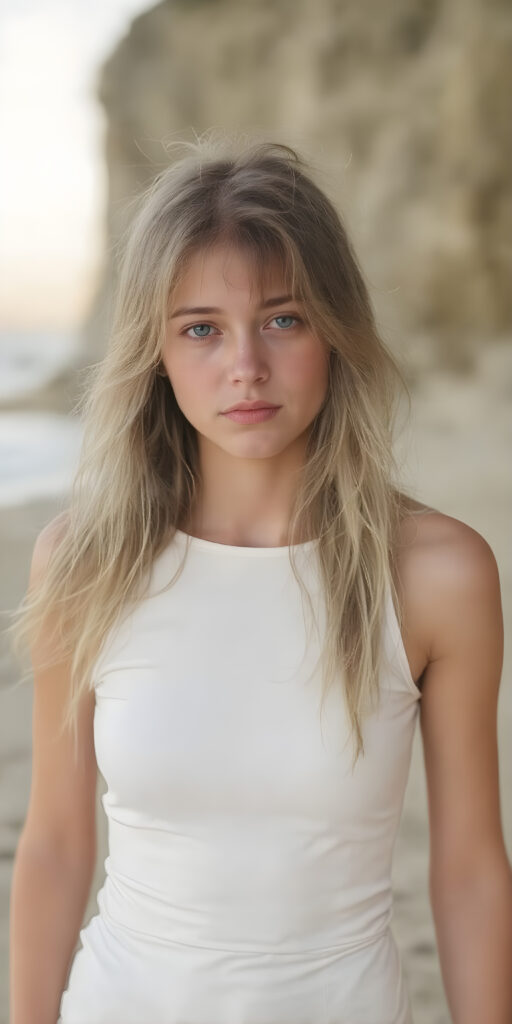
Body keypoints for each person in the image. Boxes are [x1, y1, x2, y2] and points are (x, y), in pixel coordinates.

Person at [8, 134, 512, 1024]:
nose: (246, 365)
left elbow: (471, 868)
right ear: (155, 354)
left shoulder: (436, 574)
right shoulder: (88, 562)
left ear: (335, 329)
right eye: (201, 328)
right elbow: (52, 845)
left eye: (283, 319)